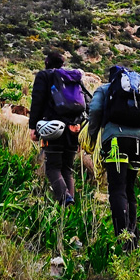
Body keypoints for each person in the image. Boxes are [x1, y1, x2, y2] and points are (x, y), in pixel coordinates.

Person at [85, 65, 140, 249]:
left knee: (117, 189)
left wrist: (92, 136)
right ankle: (133, 239)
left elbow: (94, 111)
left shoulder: (105, 89)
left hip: (115, 141)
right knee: (130, 189)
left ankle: (123, 240)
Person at [28, 49, 88, 206]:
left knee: (52, 168)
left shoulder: (44, 76)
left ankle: (65, 199)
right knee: (66, 169)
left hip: (53, 128)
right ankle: (69, 208)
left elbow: (37, 102)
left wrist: (33, 126)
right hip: (74, 128)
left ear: (47, 63)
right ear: (63, 64)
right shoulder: (72, 78)